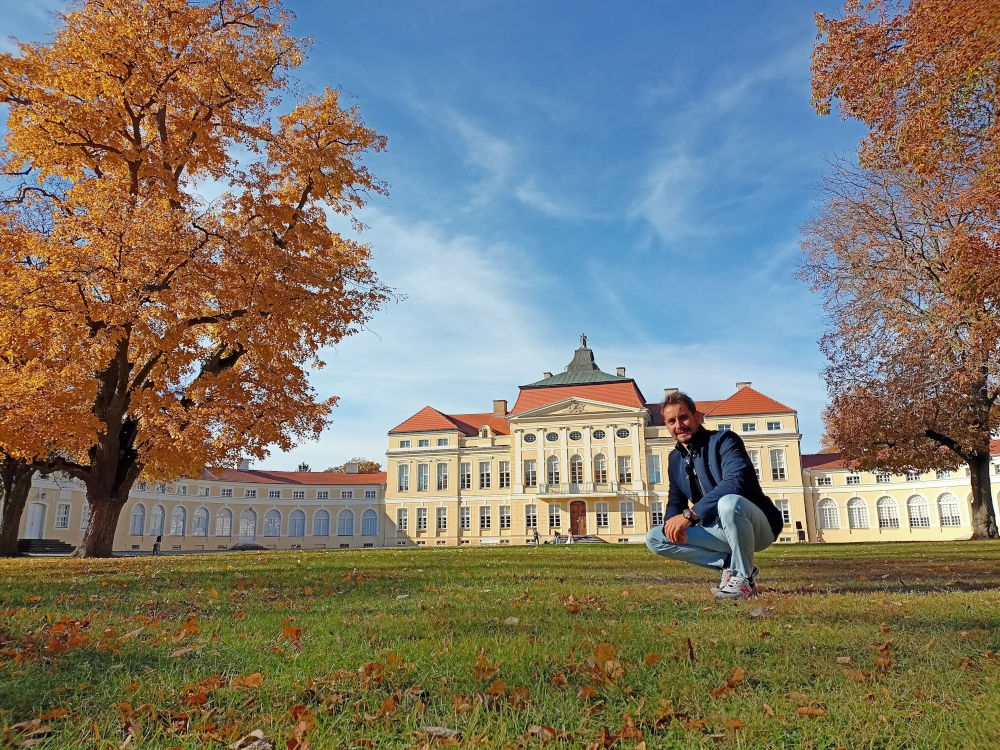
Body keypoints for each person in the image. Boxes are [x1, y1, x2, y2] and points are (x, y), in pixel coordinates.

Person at [645, 391, 783, 599]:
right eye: (671, 421)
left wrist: (690, 516)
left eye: (683, 417)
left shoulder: (724, 441)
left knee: (729, 503)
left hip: (756, 526)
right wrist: (671, 525)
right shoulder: (675, 459)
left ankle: (743, 578)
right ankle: (730, 564)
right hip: (716, 530)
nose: (678, 425)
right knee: (656, 537)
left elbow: (735, 483)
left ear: (697, 417)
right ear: (666, 425)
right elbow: (675, 499)